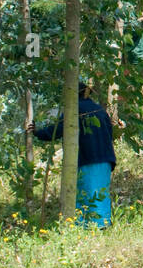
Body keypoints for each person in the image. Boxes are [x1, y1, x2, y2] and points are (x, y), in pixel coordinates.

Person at [28, 81, 122, 226]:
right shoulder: (100, 110)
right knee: (100, 195)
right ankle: (102, 225)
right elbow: (110, 135)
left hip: (87, 159)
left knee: (86, 194)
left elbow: (56, 131)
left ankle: (88, 227)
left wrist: (37, 132)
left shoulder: (74, 110)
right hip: (106, 159)